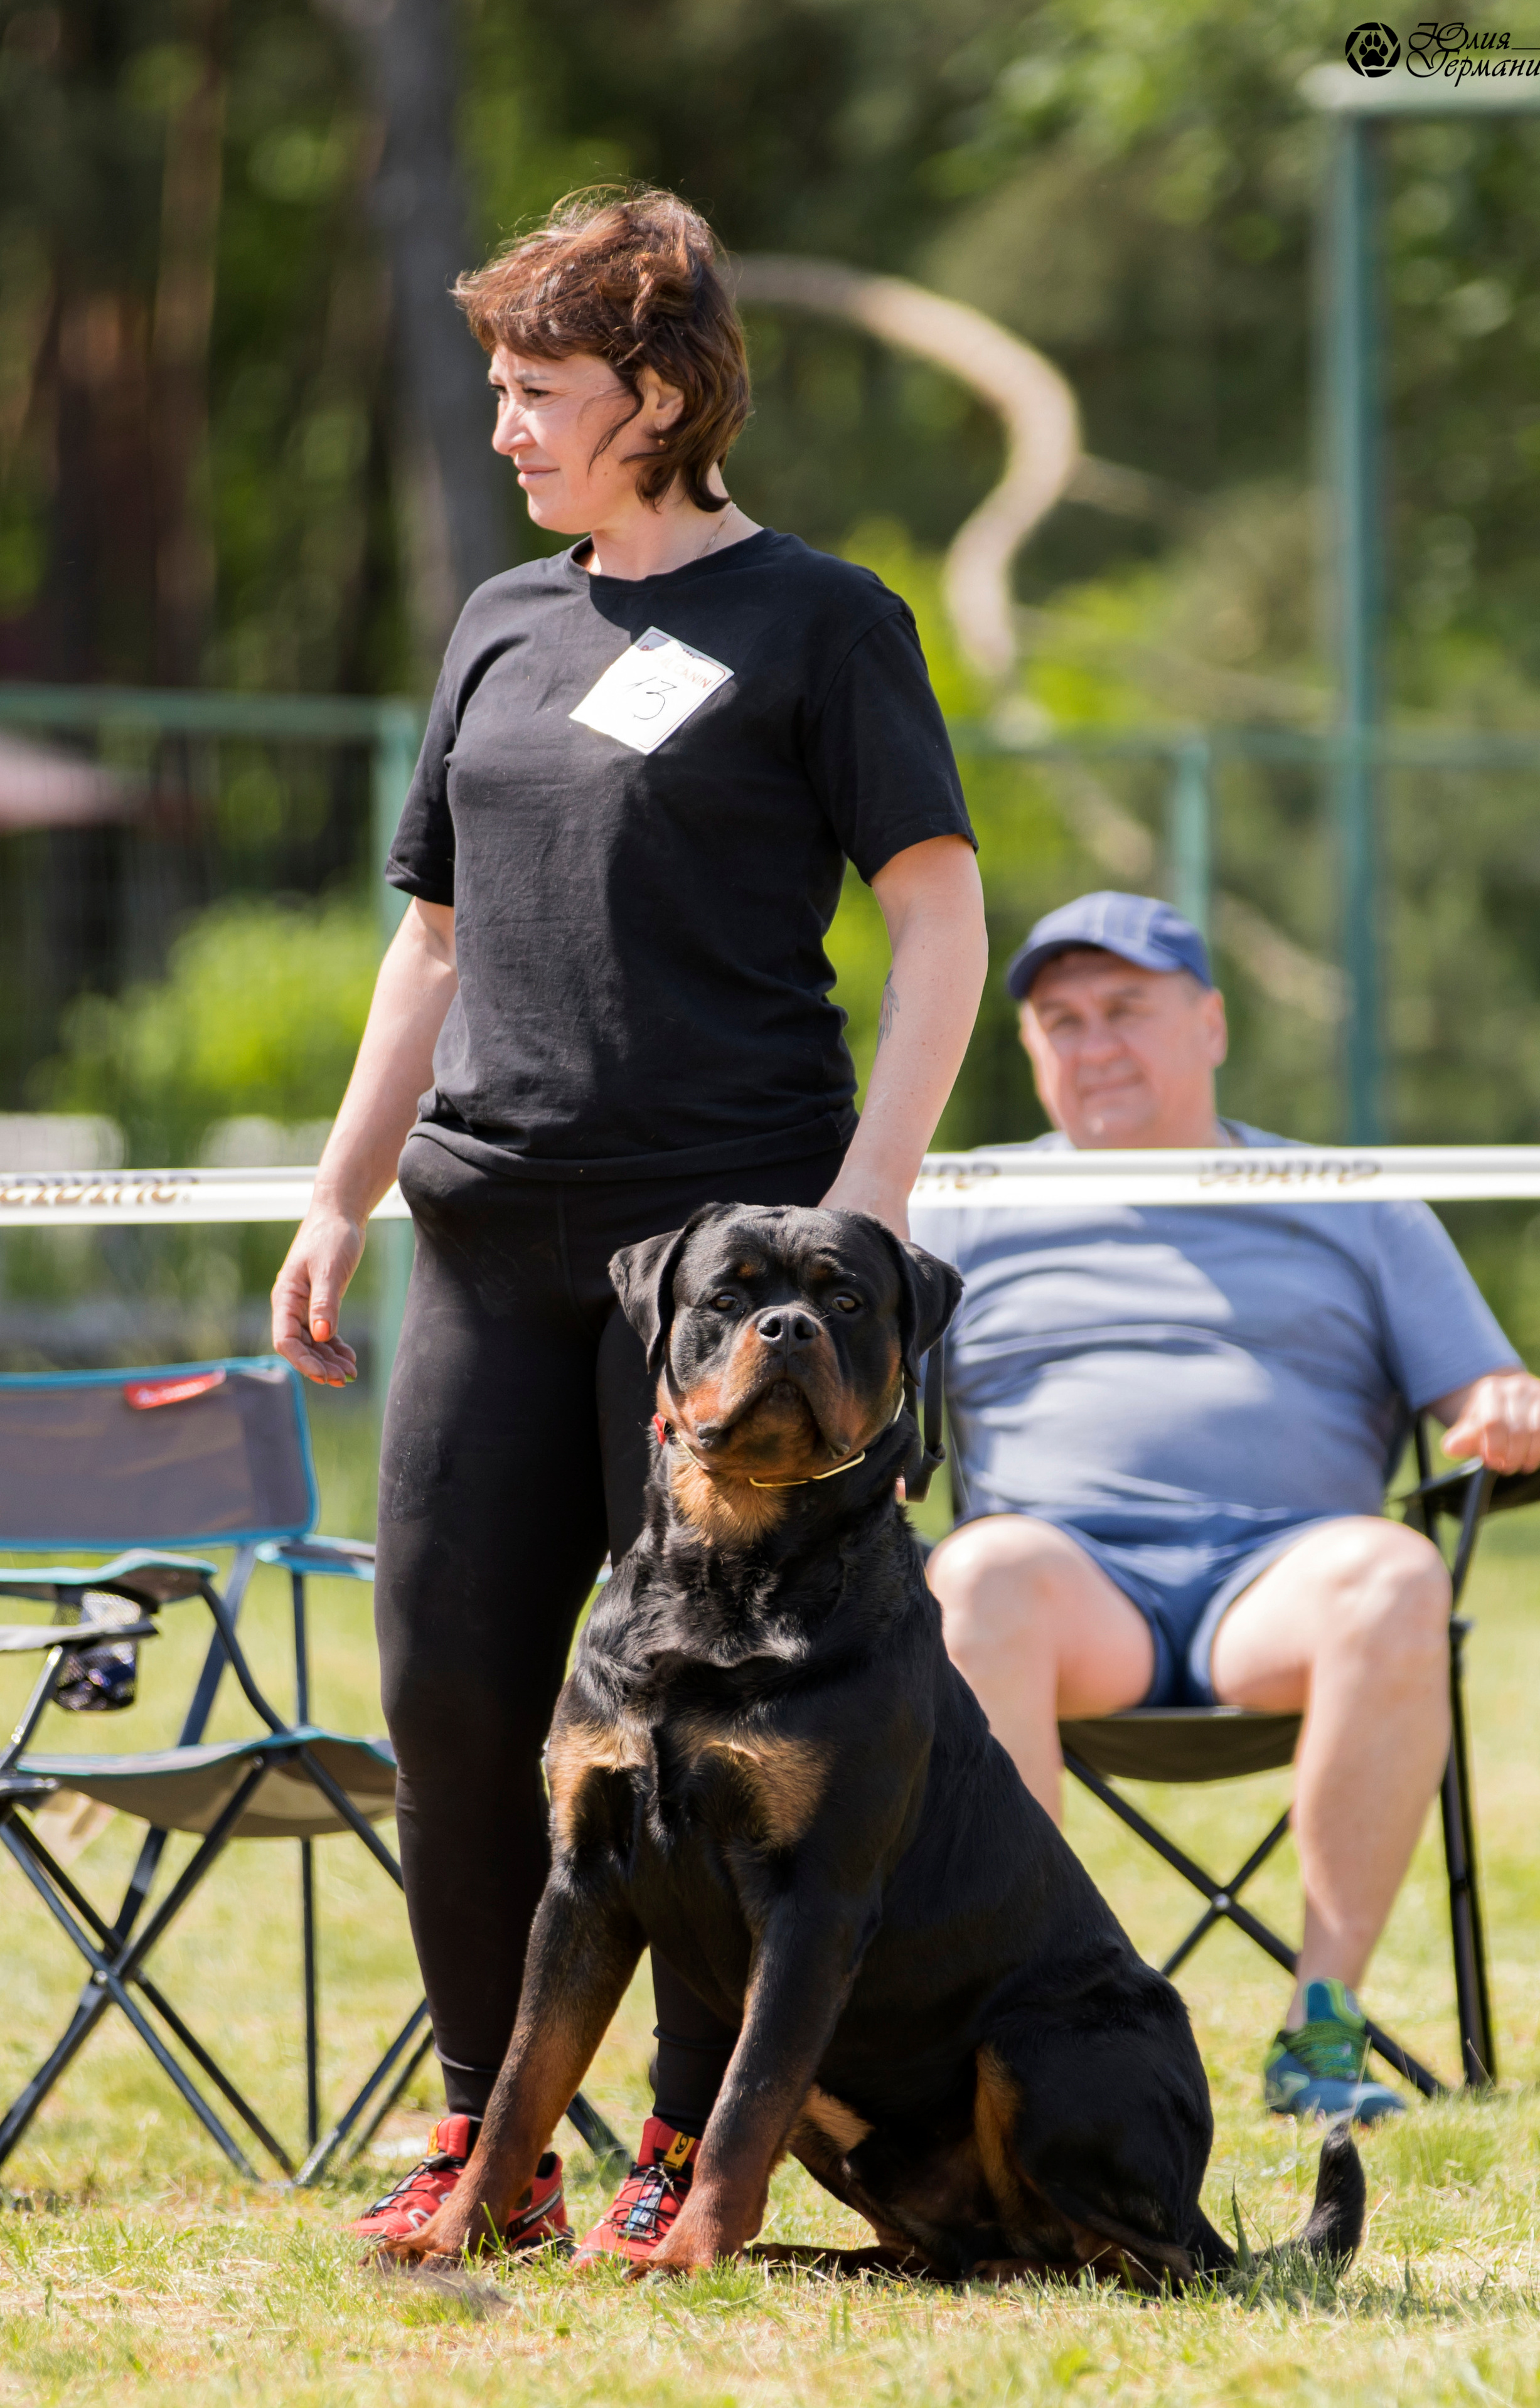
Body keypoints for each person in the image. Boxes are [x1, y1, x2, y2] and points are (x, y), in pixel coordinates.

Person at [270, 188, 987, 2259]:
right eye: (500, 391)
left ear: (659, 395)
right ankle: (483, 2131)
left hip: (719, 1275)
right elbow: (431, 943)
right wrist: (338, 1188)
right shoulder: (500, 619)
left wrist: (870, 1200)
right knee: (456, 1689)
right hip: (488, 1239)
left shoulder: (824, 619)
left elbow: (938, 915)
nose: (503, 426)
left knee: (707, 1723)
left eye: (538, 392)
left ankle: (685, 2138)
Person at [914, 890, 1540, 2124]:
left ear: (1209, 1023)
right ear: (1026, 1052)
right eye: (1059, 1020)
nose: (1092, 1041)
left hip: (1275, 1596)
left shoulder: (1350, 1197)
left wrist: (1511, 1400)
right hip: (1062, 1600)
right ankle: (1032, 2021)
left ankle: (1317, 2031)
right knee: (975, 1570)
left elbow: (1482, 1386)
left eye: (1124, 1008)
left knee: (1393, 1573)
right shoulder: (945, 1203)